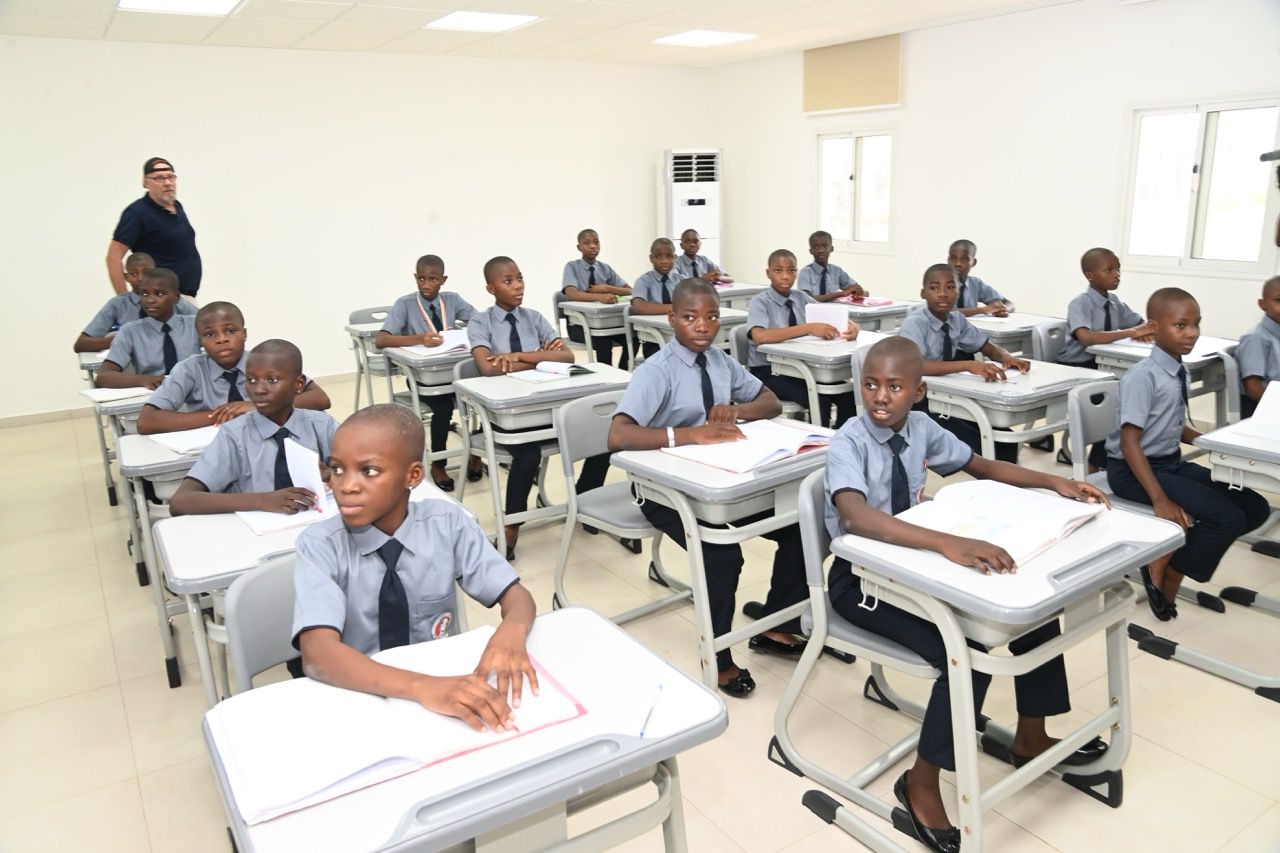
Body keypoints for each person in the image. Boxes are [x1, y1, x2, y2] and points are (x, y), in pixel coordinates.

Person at [825, 336, 1111, 853]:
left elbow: (979, 466)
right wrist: (947, 543)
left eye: (894, 387)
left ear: (918, 391)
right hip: (860, 581)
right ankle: (922, 781)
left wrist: (1051, 483)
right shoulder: (849, 439)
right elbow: (855, 516)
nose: (880, 398)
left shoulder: (921, 429)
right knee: (967, 655)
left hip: (914, 571)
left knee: (1028, 608)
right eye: (870, 385)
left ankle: (1030, 734)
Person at [608, 278, 807, 698]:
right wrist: (691, 434)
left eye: (712, 317)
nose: (702, 326)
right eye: (690, 317)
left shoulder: (721, 362)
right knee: (722, 556)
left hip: (720, 485)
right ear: (672, 318)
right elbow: (619, 436)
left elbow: (770, 402)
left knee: (800, 527)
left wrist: (736, 410)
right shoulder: (655, 371)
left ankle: (776, 625)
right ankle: (718, 657)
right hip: (662, 491)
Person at [291, 404, 536, 730]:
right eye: (337, 469)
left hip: (442, 685)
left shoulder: (447, 524)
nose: (346, 486)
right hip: (361, 691)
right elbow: (318, 654)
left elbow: (516, 597)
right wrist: (424, 687)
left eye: (369, 471)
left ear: (413, 476)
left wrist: (511, 631)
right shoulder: (320, 544)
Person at [1105, 287, 1270, 620]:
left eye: (1196, 324)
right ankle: (1168, 579)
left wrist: (1216, 441)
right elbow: (1129, 443)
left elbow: (1174, 425)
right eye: (1181, 325)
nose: (1192, 333)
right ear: (1153, 327)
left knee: (1255, 507)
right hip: (1133, 471)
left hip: (1168, 464)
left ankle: (1169, 557)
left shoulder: (1177, 368)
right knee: (1226, 518)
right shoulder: (1143, 377)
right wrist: (1159, 500)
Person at [470, 256, 610, 559]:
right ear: (490, 288)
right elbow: (487, 367)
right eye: (508, 281)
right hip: (506, 416)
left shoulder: (534, 318)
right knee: (528, 454)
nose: (518, 285)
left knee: (603, 438)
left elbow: (568, 358)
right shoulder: (481, 322)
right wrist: (540, 356)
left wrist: (518, 356)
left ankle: (582, 502)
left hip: (544, 408)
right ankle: (512, 525)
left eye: (520, 278)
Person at [169, 340, 338, 516]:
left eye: (272, 380)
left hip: (315, 526)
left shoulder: (321, 426)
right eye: (251, 380)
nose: (259, 389)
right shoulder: (234, 435)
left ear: (299, 384)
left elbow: (365, 471)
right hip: (255, 536)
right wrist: (262, 500)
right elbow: (181, 501)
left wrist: (331, 475)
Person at [374, 254, 483, 491]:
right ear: (415, 277)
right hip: (425, 380)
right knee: (443, 409)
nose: (426, 284)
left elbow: (481, 320)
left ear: (443, 280)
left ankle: (477, 451)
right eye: (421, 279)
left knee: (486, 399)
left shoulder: (452, 300)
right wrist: (419, 340)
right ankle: (438, 464)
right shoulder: (405, 304)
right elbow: (381, 340)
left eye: (432, 279)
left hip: (454, 375)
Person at [137, 302, 330, 434]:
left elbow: (320, 398)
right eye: (210, 334)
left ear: (244, 334)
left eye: (230, 331)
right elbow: (147, 421)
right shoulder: (189, 369)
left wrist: (255, 408)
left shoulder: (266, 359)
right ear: (200, 341)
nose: (222, 339)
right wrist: (223, 416)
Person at [897, 263, 1025, 463]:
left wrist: (1006, 357)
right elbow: (916, 365)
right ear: (923, 293)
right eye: (934, 287)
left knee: (1006, 441)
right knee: (982, 443)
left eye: (950, 287)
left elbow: (987, 347)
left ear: (958, 292)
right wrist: (968, 365)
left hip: (947, 397)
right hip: (919, 404)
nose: (942, 294)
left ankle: (1000, 490)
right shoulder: (915, 323)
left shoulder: (957, 320)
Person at [1057, 247, 1154, 468]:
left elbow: (1140, 323)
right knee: (1115, 406)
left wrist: (1145, 330)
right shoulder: (1080, 303)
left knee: (1126, 402)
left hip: (1102, 367)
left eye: (1118, 269)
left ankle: (1102, 461)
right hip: (1077, 367)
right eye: (1109, 270)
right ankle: (1093, 465)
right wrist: (1131, 333)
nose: (1116, 274)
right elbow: (1086, 337)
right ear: (1090, 275)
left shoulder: (1115, 302)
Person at [745, 248, 859, 428]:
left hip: (802, 368)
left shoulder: (801, 298)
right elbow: (760, 336)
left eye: (791, 270)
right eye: (778, 270)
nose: (785, 276)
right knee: (819, 398)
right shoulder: (760, 302)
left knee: (850, 396)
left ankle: (840, 440)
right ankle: (819, 445)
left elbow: (831, 315)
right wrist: (808, 328)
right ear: (768, 273)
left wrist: (852, 326)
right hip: (769, 372)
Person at [106, 157, 202, 298]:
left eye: (171, 177)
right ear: (146, 182)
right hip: (159, 301)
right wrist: (124, 301)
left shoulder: (176, 206)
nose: (168, 183)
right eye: (159, 178)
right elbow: (113, 256)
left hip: (183, 297)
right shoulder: (137, 213)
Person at [95, 268, 198, 389]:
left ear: (176, 297)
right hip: (154, 395)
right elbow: (103, 377)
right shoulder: (130, 331)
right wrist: (143, 380)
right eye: (144, 294)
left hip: (194, 391)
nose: (150, 300)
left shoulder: (195, 324)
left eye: (159, 294)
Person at [75, 253, 196, 353]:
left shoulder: (173, 300)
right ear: (126, 277)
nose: (140, 278)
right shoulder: (118, 304)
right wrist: (122, 339)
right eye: (134, 274)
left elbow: (205, 325)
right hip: (132, 369)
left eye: (146, 272)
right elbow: (81, 344)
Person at [561, 228, 631, 368]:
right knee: (603, 342)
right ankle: (607, 378)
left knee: (633, 338)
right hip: (579, 325)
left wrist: (607, 288)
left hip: (606, 323)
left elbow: (630, 290)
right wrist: (600, 297)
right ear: (579, 247)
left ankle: (623, 371)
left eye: (596, 242)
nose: (593, 246)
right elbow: (572, 294)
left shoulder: (605, 268)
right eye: (587, 243)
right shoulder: (572, 267)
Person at [1234, 274, 1280, 418]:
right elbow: (1253, 389)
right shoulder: (1256, 338)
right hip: (1263, 412)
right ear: (1262, 304)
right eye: (1279, 301)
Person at [630, 238, 681, 359]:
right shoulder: (643, 281)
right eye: (658, 257)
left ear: (675, 257)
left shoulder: (681, 280)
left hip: (679, 335)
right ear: (651, 258)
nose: (664, 261)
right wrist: (674, 307)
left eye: (669, 256)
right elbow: (639, 307)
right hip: (653, 338)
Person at [947, 239, 1011, 317]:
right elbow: (946, 312)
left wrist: (1003, 310)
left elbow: (1008, 303)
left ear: (973, 262)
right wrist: (984, 310)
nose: (958, 264)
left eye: (964, 259)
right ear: (948, 260)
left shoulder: (976, 284)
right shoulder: (940, 283)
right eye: (953, 259)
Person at [796, 230, 864, 302]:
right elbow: (806, 300)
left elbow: (856, 288)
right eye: (816, 247)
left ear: (831, 249)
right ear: (811, 251)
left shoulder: (837, 271)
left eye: (825, 246)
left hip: (834, 311)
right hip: (812, 312)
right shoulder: (805, 273)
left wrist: (858, 291)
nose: (821, 250)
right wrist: (841, 294)